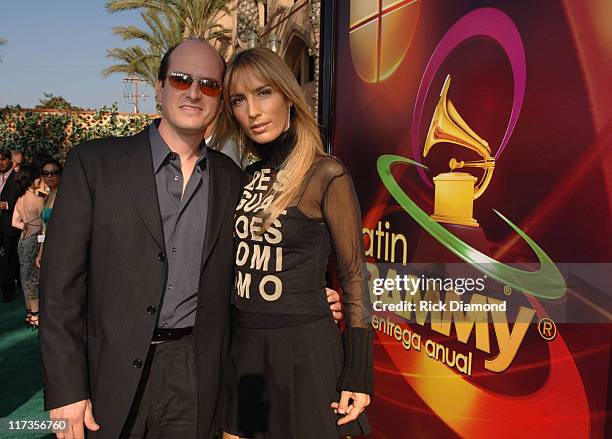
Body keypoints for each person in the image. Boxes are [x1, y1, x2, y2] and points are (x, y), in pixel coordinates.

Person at [39, 38, 341, 439]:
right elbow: (60, 288)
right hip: (107, 375)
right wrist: (67, 389)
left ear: (219, 101)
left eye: (210, 85)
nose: (195, 92)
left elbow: (256, 261)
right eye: (182, 79)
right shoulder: (94, 164)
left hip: (196, 376)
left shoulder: (236, 181)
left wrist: (309, 296)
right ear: (160, 88)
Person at [212, 47, 373, 439]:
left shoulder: (326, 173)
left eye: (263, 93)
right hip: (246, 348)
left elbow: (353, 275)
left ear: (287, 96)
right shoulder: (244, 175)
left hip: (305, 349)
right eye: (239, 99)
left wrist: (359, 374)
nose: (253, 110)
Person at [12, 164, 44, 329]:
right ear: (31, 180)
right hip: (35, 242)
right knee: (34, 278)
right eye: (39, 176)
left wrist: (26, 226)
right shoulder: (39, 200)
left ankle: (30, 313)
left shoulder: (19, 199)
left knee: (25, 277)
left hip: (23, 241)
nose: (41, 179)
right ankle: (37, 315)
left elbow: (14, 222)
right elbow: (46, 223)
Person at [0, 149, 20, 302]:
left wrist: (6, 205)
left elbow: (23, 199)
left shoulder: (16, 177)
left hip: (9, 224)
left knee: (9, 259)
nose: (0, 162)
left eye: (3, 159)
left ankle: (8, 292)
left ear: (10, 161)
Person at [35, 158, 62, 269]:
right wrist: (41, 253)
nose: (49, 176)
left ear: (61, 174)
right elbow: (44, 229)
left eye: (54, 172)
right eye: (45, 173)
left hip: (62, 246)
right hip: (48, 247)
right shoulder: (46, 198)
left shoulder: (64, 196)